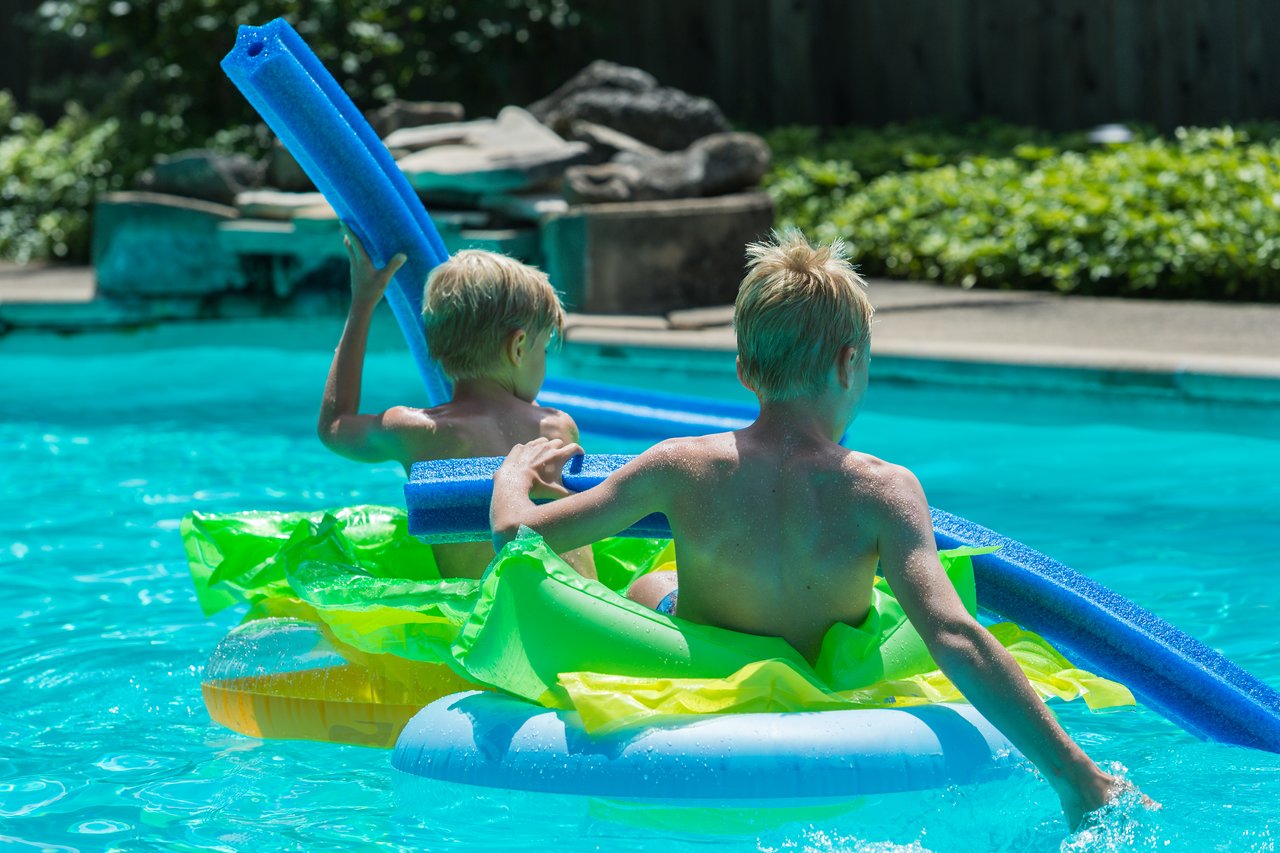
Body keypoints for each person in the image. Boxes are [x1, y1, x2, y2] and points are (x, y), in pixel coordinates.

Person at [488, 230, 1145, 829]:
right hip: (832, 677)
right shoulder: (884, 489)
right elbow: (953, 633)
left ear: (744, 370)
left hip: (702, 666)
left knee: (649, 582)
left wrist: (512, 481)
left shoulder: (678, 465)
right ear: (848, 362)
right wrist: (1074, 772)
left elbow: (520, 539)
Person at [318, 223, 594, 579]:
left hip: (488, 622)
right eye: (543, 349)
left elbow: (333, 426)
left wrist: (363, 303)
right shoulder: (558, 426)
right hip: (586, 609)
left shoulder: (416, 431)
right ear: (519, 346)